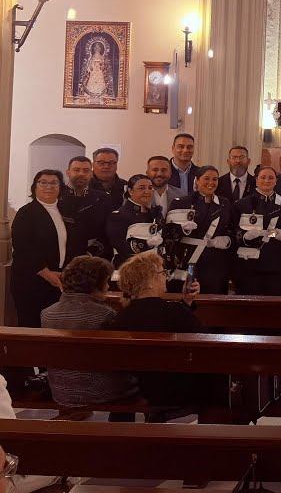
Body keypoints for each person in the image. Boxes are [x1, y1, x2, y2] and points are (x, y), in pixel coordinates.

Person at [114, 252, 224, 417]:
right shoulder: (173, 311)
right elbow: (207, 341)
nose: (166, 277)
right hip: (173, 389)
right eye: (162, 273)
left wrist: (186, 301)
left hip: (139, 386)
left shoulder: (122, 315)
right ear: (150, 281)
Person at [41, 255, 138, 418]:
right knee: (135, 380)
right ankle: (121, 431)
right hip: (97, 390)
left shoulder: (47, 313)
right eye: (106, 281)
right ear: (95, 284)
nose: (108, 286)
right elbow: (121, 357)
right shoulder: (105, 314)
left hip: (60, 389)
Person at [12, 170, 83, 327]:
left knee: (58, 327)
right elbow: (23, 248)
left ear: (60, 187)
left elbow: (76, 243)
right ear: (35, 187)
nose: (48, 186)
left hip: (62, 278)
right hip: (32, 280)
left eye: (54, 183)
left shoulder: (67, 211)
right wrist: (46, 273)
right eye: (43, 182)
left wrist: (67, 272)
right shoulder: (26, 213)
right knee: (33, 325)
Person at [167, 165, 234, 295]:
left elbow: (231, 228)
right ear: (197, 180)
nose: (211, 183)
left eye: (215, 179)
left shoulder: (225, 203)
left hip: (216, 262)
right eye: (206, 179)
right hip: (190, 259)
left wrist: (227, 240)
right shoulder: (181, 202)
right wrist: (182, 230)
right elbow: (169, 233)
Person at [232, 166, 281, 296]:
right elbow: (233, 231)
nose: (267, 180)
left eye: (271, 178)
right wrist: (245, 236)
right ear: (256, 180)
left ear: (276, 181)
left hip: (278, 264)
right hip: (249, 265)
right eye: (263, 177)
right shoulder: (242, 204)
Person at [106, 174, 164, 274]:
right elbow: (121, 247)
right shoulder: (119, 216)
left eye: (150, 188)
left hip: (153, 270)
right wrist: (147, 244)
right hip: (129, 270)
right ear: (130, 191)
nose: (147, 191)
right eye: (142, 188)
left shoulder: (155, 214)